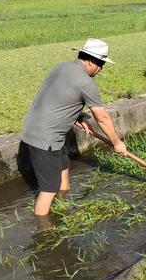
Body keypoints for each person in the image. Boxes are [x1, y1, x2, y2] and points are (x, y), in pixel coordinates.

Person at [20, 38, 129, 216]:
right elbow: (101, 117)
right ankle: (43, 233)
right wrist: (117, 142)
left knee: (63, 168)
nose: (101, 69)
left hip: (43, 132)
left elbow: (58, 97)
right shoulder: (86, 82)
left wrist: (78, 115)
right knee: (48, 190)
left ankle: (63, 206)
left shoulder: (61, 67)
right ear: (91, 61)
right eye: (101, 64)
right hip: (45, 139)